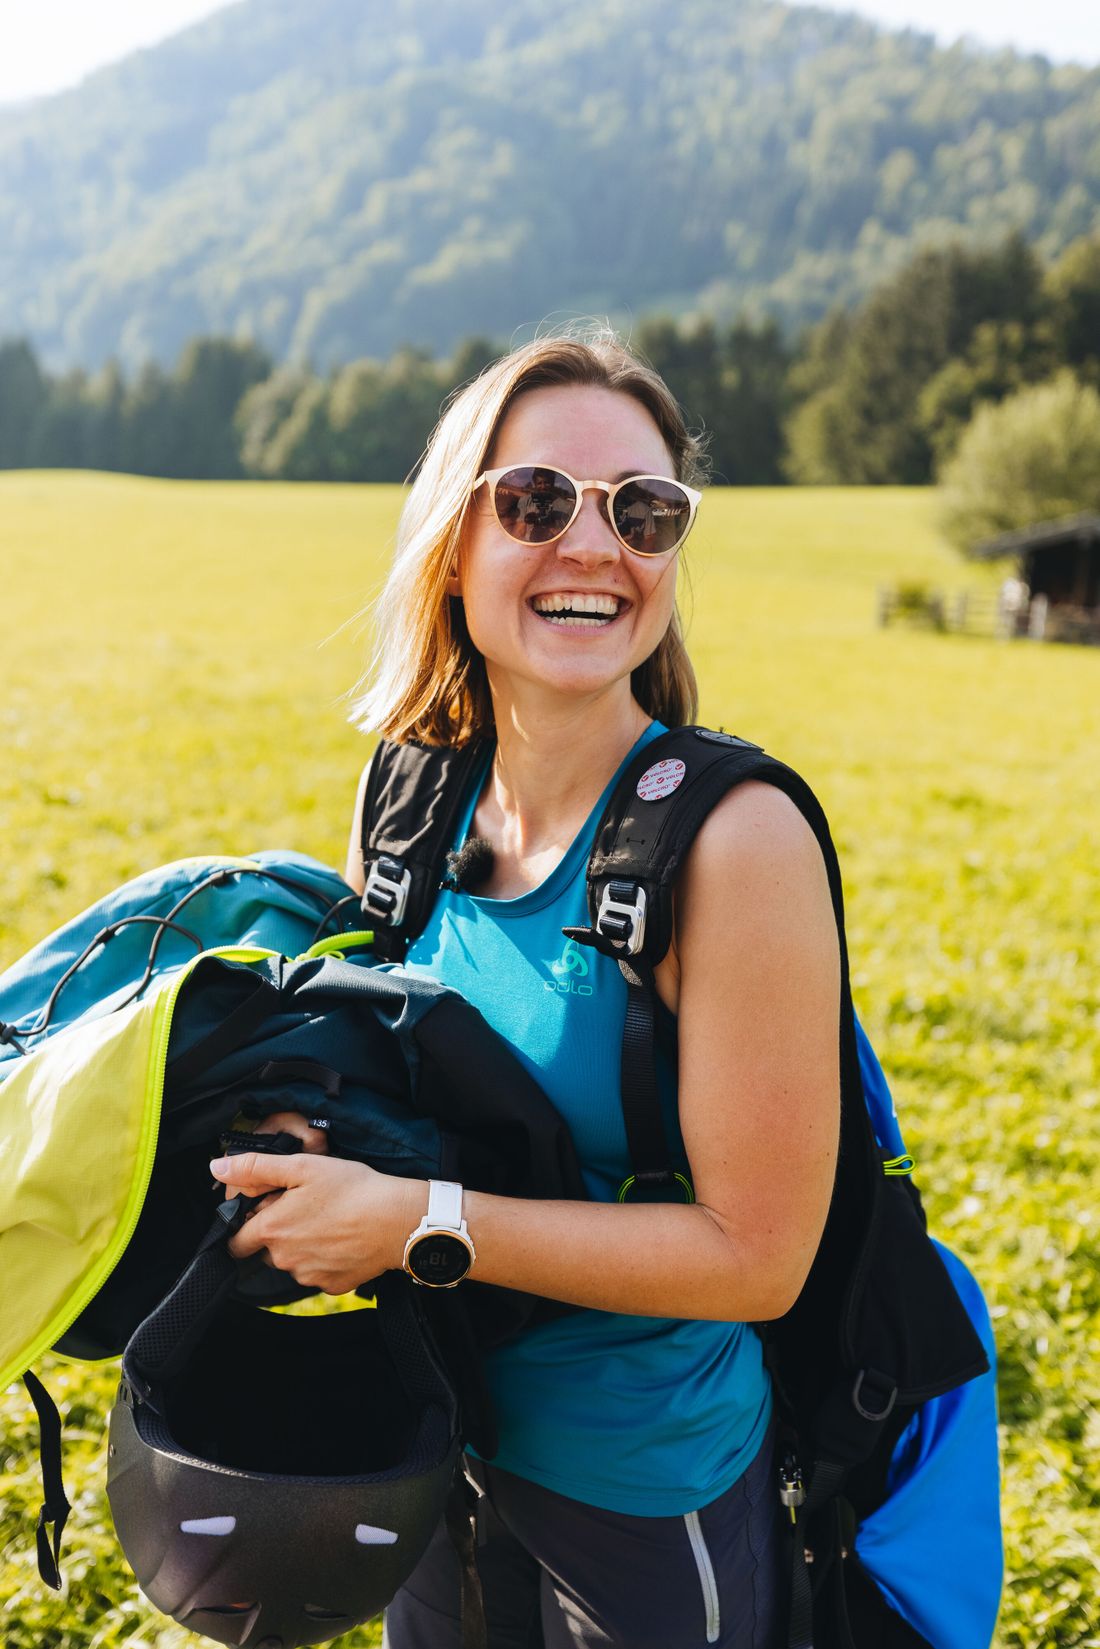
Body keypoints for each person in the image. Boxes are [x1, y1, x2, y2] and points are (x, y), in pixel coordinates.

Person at [210, 331, 841, 1648]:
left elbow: (760, 1255)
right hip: (430, 1438)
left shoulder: (737, 842)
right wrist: (310, 1147)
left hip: (645, 1497)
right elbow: (393, 1075)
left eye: (644, 511)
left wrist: (416, 1223)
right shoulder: (409, 792)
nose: (595, 545)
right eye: (539, 500)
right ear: (454, 539)